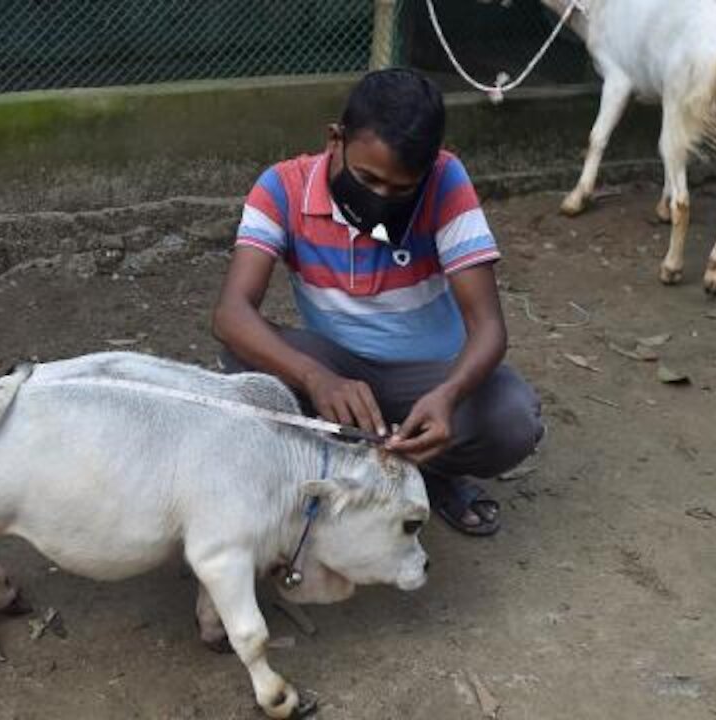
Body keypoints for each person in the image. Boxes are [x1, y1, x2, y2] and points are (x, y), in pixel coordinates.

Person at [212, 68, 542, 536]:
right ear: (335, 139)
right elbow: (230, 313)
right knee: (243, 354)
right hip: (335, 366)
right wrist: (316, 377)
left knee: (511, 420)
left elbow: (488, 327)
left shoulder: (446, 181)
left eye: (402, 188)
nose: (380, 197)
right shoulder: (281, 188)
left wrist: (447, 396)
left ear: (428, 168)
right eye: (367, 177)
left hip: (429, 374)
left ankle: (430, 471)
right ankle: (343, 464)